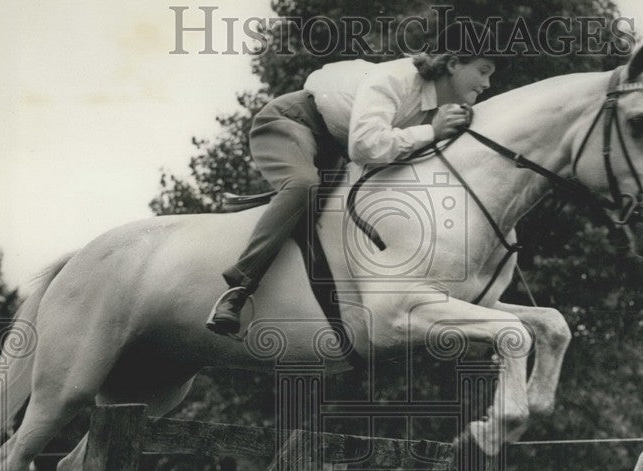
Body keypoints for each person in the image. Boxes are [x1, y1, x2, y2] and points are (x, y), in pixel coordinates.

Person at [206, 21, 498, 335]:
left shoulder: (441, 108)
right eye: (483, 71)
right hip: (291, 122)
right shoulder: (396, 79)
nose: (488, 84)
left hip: (334, 147)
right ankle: (237, 290)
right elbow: (364, 146)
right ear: (454, 63)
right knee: (305, 187)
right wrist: (431, 132)